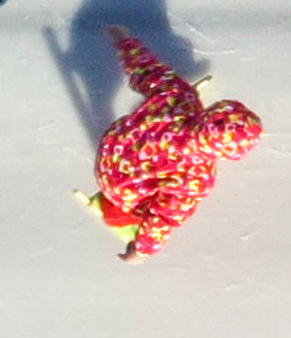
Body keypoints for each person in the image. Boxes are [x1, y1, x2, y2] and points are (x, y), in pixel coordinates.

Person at [85, 29, 262, 261]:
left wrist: (126, 43)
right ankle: (117, 214)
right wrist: (140, 251)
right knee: (141, 207)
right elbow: (164, 217)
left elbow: (148, 70)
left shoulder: (178, 98)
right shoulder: (196, 177)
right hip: (121, 191)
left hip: (112, 154)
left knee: (145, 131)